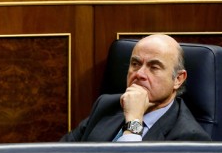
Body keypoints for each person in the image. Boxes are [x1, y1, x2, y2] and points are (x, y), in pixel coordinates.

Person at [61, 34, 211, 142]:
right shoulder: (106, 105)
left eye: (154, 67)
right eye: (135, 64)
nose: (139, 74)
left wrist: (133, 121)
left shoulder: (189, 137)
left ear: (178, 79)